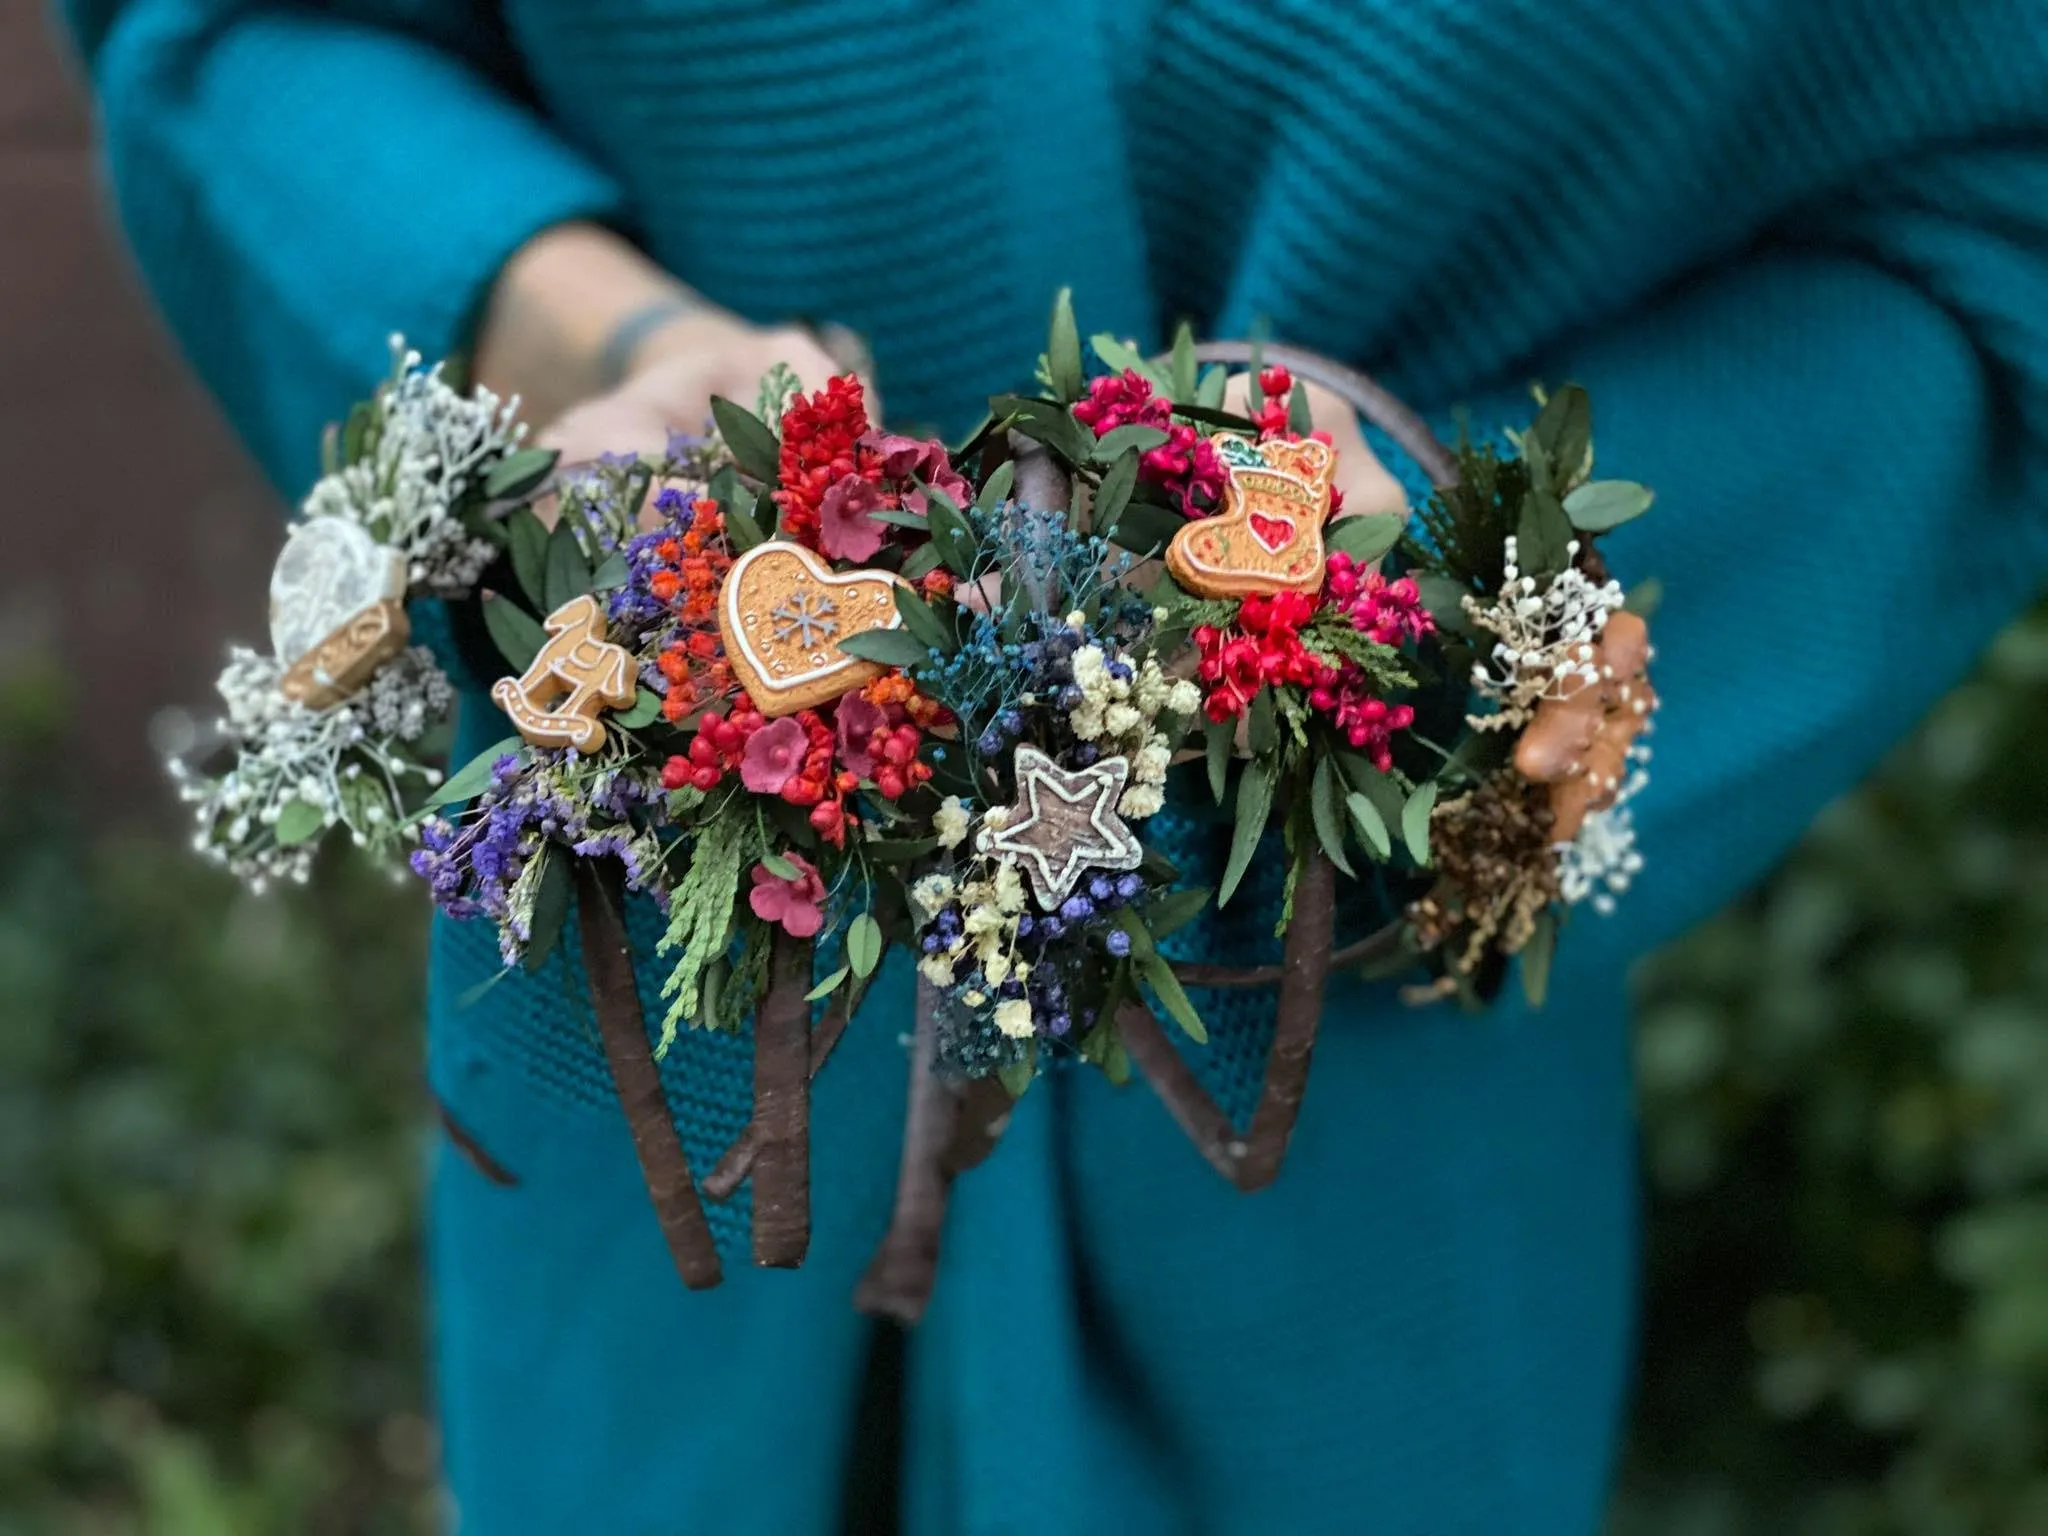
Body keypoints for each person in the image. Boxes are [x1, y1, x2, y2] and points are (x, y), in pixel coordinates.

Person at [56, 3, 2048, 1531]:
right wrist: (609, 345)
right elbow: (238, 36)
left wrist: (1451, 567)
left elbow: (1988, 222)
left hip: (1347, 1204)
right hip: (660, 1123)